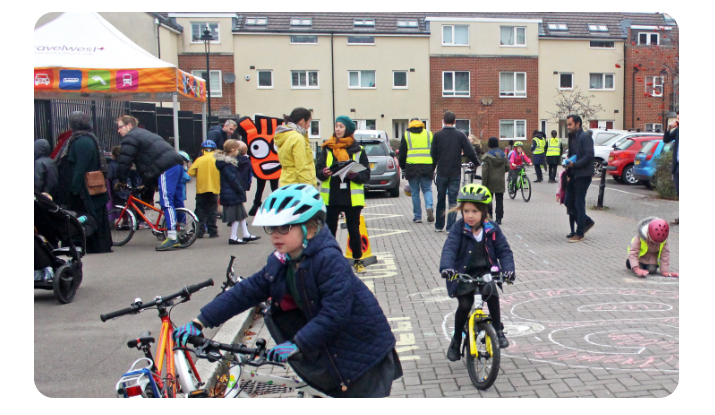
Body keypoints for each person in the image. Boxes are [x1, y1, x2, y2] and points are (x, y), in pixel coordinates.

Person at [173, 185, 402, 398]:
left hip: (362, 354)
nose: (274, 235)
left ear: (310, 229)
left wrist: (298, 343)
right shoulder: (283, 260)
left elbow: (335, 314)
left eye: (283, 228)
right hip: (333, 352)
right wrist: (200, 320)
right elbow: (247, 291)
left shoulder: (329, 260)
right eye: (271, 228)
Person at [439, 185, 516, 361]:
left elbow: (504, 251)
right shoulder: (459, 229)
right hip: (463, 275)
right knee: (465, 305)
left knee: (492, 294)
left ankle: (497, 329)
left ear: (484, 211)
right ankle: (457, 339)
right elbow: (449, 249)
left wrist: (508, 270)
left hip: (485, 273)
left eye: (474, 211)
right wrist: (447, 268)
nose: (470, 215)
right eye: (466, 211)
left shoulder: (492, 229)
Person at [114, 115, 186, 251]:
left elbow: (124, 161)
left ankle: (172, 237)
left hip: (165, 167)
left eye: (120, 127)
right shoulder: (145, 134)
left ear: (129, 125)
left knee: (166, 201)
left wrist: (121, 180)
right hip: (175, 163)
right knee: (177, 200)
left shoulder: (130, 138)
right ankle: (183, 230)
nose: (119, 131)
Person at [316, 116, 371, 273]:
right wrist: (323, 173)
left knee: (354, 230)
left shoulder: (358, 150)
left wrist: (355, 176)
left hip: (351, 197)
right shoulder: (327, 148)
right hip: (332, 195)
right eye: (336, 126)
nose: (338, 129)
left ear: (347, 129)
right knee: (329, 230)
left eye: (341, 126)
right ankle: (330, 262)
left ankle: (358, 260)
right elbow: (318, 169)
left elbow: (366, 174)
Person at [55, 112, 113, 254]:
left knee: (88, 216)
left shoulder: (82, 141)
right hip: (86, 188)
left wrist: (74, 188)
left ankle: (94, 245)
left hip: (85, 189)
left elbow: (81, 166)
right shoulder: (83, 139)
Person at [431, 111, 480, 233]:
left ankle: (438, 225)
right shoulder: (460, 135)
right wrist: (476, 162)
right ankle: (450, 227)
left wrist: (432, 170)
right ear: (454, 121)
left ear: (443, 121)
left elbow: (433, 155)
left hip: (442, 171)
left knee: (440, 198)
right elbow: (469, 151)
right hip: (455, 172)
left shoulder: (437, 135)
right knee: (453, 200)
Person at [215, 140, 260, 245]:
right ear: (232, 150)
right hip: (232, 193)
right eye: (237, 150)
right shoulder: (228, 164)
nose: (238, 152)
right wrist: (240, 190)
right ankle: (233, 237)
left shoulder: (226, 163)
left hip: (230, 193)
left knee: (240, 214)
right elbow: (233, 180)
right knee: (235, 216)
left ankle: (245, 234)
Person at [564, 115, 596, 243]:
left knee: (578, 202)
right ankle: (586, 221)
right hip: (573, 173)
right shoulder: (573, 137)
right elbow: (573, 155)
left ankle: (580, 232)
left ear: (578, 124)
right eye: (567, 124)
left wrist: (575, 165)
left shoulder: (585, 137)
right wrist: (568, 163)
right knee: (568, 201)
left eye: (570, 124)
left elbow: (589, 155)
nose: (568, 127)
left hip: (583, 174)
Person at [398, 119, 434, 224]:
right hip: (427, 165)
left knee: (414, 192)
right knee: (427, 189)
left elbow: (402, 152)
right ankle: (429, 207)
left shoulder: (407, 135)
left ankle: (418, 216)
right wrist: (434, 165)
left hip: (411, 167)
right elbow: (434, 150)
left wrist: (403, 167)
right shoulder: (429, 134)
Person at [274, 108, 317, 187]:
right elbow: (302, 168)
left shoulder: (285, 135)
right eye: (309, 122)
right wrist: (309, 189)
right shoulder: (297, 138)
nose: (309, 126)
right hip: (298, 187)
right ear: (302, 121)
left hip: (286, 183)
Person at [189, 140, 221, 239]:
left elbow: (191, 172)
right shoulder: (217, 160)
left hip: (201, 189)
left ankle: (200, 231)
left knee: (200, 210)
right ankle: (213, 231)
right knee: (212, 210)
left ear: (203, 150)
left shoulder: (199, 160)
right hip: (214, 188)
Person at [481, 137, 510, 225]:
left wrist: (483, 184)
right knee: (499, 199)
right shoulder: (503, 155)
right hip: (500, 180)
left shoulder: (486, 156)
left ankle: (489, 217)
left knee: (489, 199)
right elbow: (507, 168)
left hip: (489, 180)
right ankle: (499, 218)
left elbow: (485, 172)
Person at [663, 112, 679, 226]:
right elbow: (666, 139)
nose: (677, 119)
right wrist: (668, 128)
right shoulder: (678, 130)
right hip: (677, 166)